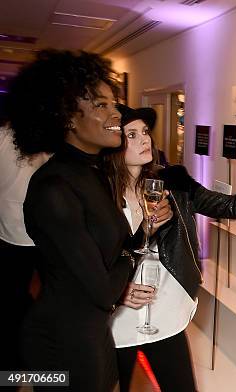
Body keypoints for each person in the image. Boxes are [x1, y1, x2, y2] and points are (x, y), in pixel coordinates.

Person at [8, 49, 172, 392]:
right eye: (101, 105)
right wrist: (133, 249)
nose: (116, 114)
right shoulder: (54, 186)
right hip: (61, 342)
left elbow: (115, 252)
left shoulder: (92, 172)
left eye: (114, 104)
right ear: (67, 117)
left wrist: (147, 229)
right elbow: (104, 290)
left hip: (91, 331)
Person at [107, 105, 236, 392]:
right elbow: (88, 258)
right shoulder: (97, 192)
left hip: (164, 312)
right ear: (112, 143)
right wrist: (117, 290)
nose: (145, 139)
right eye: (131, 135)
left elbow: (233, 206)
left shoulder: (173, 182)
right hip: (115, 320)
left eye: (145, 132)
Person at [0, 124, 50, 388]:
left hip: (16, 237)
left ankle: (19, 374)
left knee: (15, 308)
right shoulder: (51, 136)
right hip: (31, 237)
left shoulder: (4, 136)